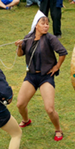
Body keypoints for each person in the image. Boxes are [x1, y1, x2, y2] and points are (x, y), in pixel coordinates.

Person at [15, 13, 67, 141]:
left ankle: (58, 129)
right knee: (20, 104)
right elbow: (21, 54)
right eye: (43, 23)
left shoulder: (50, 38)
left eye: (47, 23)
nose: (46, 26)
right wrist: (19, 46)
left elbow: (63, 52)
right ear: (36, 25)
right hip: (31, 76)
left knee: (49, 109)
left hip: (45, 77)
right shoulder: (28, 38)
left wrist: (57, 66)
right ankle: (26, 120)